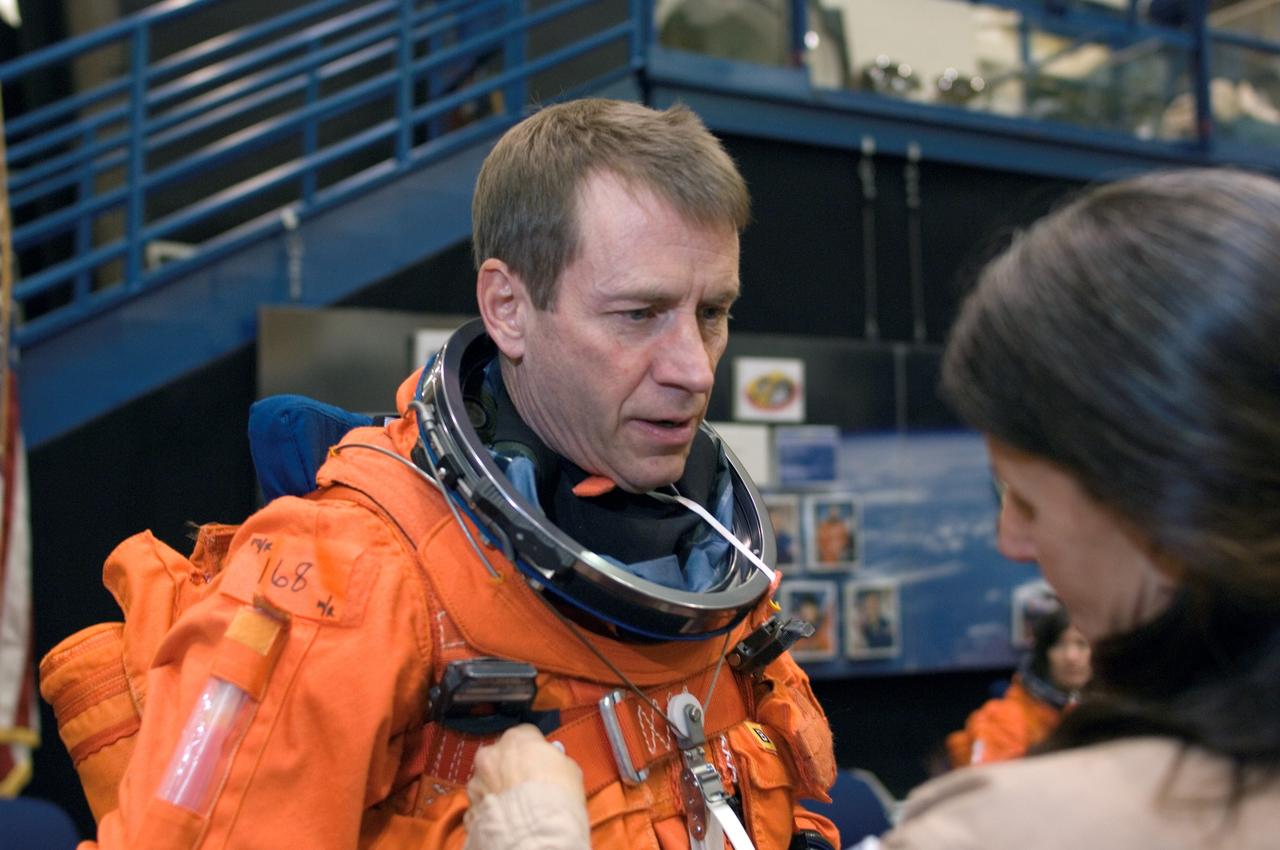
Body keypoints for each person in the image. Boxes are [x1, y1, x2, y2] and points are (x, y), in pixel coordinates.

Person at [61, 98, 840, 850]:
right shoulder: (353, 585)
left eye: (712, 313)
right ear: (506, 306)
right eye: (639, 314)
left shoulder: (706, 566)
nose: (693, 371)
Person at [463, 168, 1280, 849]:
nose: (1012, 539)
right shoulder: (380, 563)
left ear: (1177, 501)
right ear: (507, 307)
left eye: (1028, 498)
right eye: (640, 312)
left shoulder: (1022, 828)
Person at [944, 606, 1090, 767]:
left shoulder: (1097, 713)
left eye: (1082, 644)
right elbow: (998, 788)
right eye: (1059, 645)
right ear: (1044, 655)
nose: (1071, 656)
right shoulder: (1006, 719)